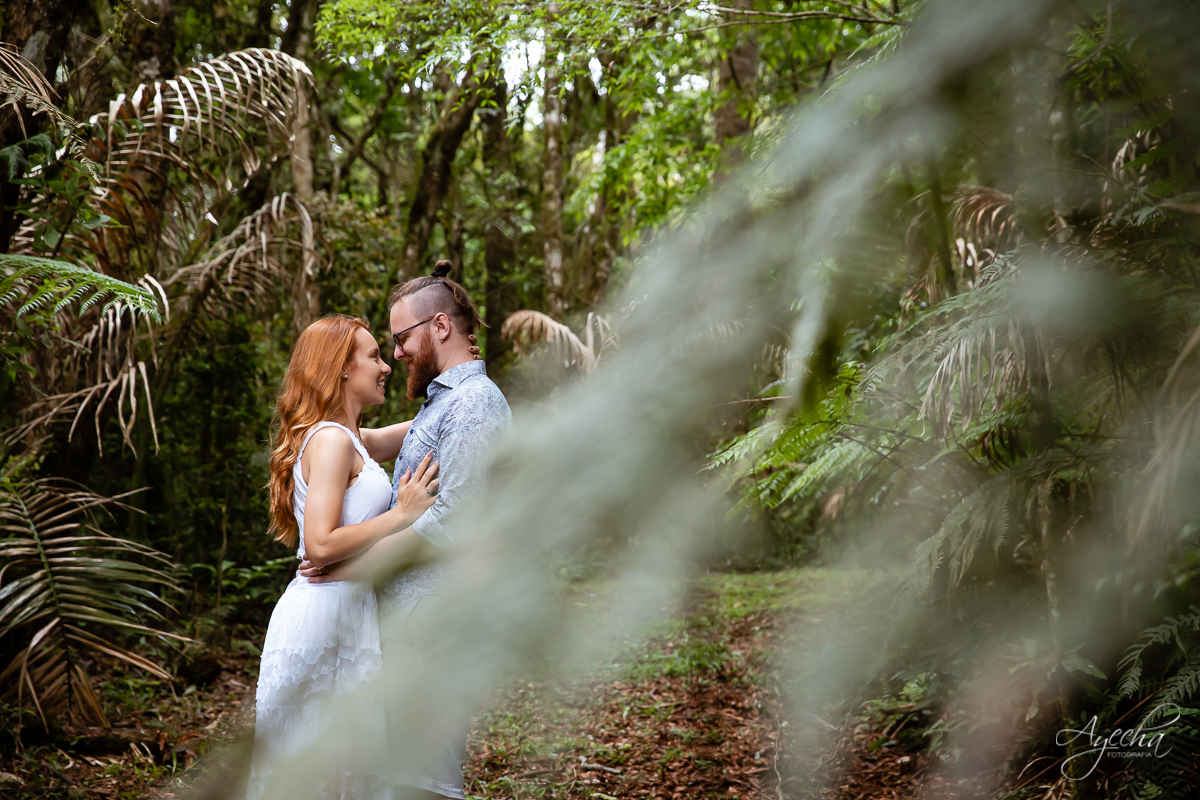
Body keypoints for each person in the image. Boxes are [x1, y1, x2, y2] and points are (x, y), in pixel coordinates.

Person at [302, 261, 512, 800]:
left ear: (440, 327)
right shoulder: (443, 404)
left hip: (432, 623)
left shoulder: (474, 404)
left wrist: (351, 567)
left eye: (400, 339)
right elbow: (361, 443)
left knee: (425, 779)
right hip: (408, 622)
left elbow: (452, 521)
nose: (396, 355)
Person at [249, 314, 443, 800]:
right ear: (341, 367)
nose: (387, 366)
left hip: (346, 607)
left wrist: (461, 391)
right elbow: (319, 545)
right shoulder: (332, 441)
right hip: (324, 611)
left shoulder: (351, 437)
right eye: (374, 356)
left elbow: (421, 427)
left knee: (345, 766)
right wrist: (401, 515)